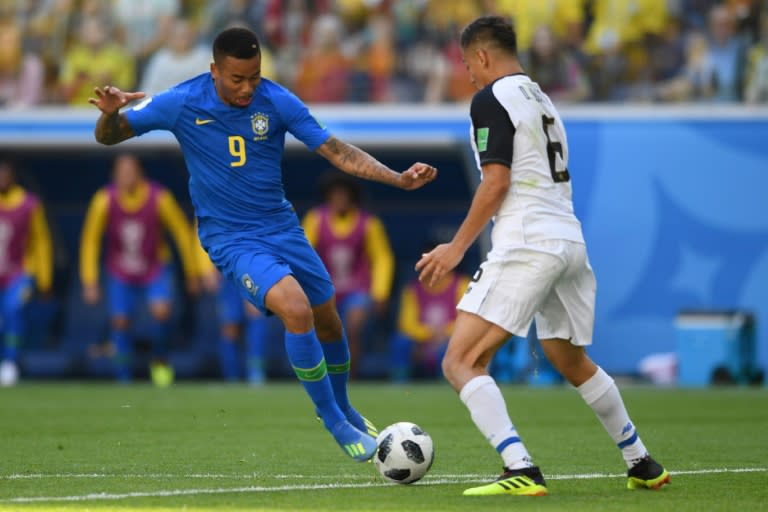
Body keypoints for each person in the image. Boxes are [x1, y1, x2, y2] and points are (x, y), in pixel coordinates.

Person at [88, 27, 436, 461]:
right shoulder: (181, 101)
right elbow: (109, 136)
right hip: (230, 237)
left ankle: (344, 405)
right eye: (237, 79)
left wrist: (397, 178)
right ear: (214, 70)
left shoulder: (276, 100)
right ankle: (334, 422)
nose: (247, 87)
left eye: (254, 76)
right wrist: (109, 114)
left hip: (282, 227)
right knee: (295, 307)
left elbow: (335, 151)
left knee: (328, 318)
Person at [416, 16, 669, 496]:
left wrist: (456, 247)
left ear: (483, 57)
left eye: (468, 63)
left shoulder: (490, 98)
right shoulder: (541, 98)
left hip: (528, 240)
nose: (468, 74)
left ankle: (520, 468)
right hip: (569, 240)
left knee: (460, 361)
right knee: (568, 358)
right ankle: (641, 462)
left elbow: (497, 182)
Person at [79, 154, 197, 386]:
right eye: (122, 171)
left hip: (155, 267)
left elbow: (182, 234)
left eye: (131, 170)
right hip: (120, 270)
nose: (127, 176)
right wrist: (89, 281)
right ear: (114, 175)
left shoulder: (159, 197)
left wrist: (193, 272)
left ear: (140, 173)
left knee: (161, 312)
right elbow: (90, 241)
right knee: (120, 321)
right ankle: (123, 376)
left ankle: (160, 359)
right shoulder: (104, 199)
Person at [302, 172, 394, 379]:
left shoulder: (369, 224)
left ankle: (351, 377)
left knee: (353, 327)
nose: (340, 200)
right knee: (324, 332)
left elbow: (382, 258)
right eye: (336, 195)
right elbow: (304, 254)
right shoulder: (315, 219)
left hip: (356, 290)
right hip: (326, 289)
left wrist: (380, 292)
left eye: (344, 195)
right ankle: (323, 377)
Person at [194, 225, 270, 384]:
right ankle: (231, 377)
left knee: (256, 315)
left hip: (252, 266)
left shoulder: (253, 201)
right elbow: (202, 229)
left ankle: (256, 373)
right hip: (225, 271)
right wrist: (205, 269)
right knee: (230, 327)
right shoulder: (211, 201)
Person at [0, 160, 52, 387]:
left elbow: (41, 242)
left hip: (19, 273)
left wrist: (44, 278)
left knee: (14, 311)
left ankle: (10, 363)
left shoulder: (29, 204)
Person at [390, 249, 469, 382]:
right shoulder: (413, 289)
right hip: (420, 344)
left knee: (448, 348)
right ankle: (399, 386)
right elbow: (406, 323)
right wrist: (429, 334)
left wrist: (444, 333)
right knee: (400, 342)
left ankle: (448, 387)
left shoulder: (462, 284)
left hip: (449, 341)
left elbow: (466, 321)